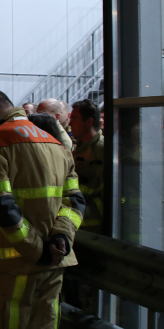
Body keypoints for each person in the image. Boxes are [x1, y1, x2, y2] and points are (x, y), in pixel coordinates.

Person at [0, 88, 84, 329]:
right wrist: (60, 238)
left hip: (12, 267)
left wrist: (38, 250)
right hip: (55, 264)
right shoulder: (57, 144)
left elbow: (2, 206)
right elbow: (74, 202)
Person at [69, 99, 104, 233]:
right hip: (78, 224)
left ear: (89, 122)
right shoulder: (79, 148)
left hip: (92, 227)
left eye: (74, 118)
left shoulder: (101, 152)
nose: (70, 123)